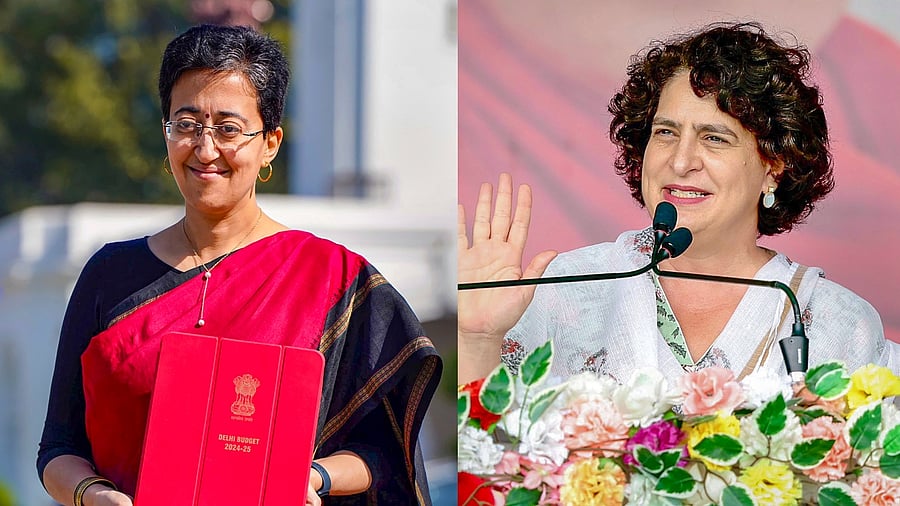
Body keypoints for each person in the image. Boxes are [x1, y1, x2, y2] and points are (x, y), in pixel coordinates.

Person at [37, 24, 441, 506]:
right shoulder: (109, 275)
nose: (206, 150)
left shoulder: (334, 279)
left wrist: (313, 477)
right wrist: (94, 495)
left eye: (228, 129)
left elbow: (384, 449)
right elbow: (59, 447)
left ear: (270, 141)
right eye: (186, 124)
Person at [458, 22, 899, 385]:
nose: (681, 160)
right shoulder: (563, 289)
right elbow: (492, 472)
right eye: (665, 133)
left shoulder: (837, 322)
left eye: (714, 138)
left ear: (774, 165)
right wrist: (478, 340)